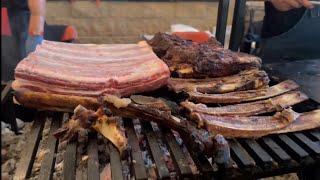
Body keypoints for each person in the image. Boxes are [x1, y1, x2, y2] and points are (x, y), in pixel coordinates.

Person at [1, 0, 45, 81]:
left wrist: (37, 17)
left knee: (26, 67)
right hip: (6, 14)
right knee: (11, 67)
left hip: (24, 15)